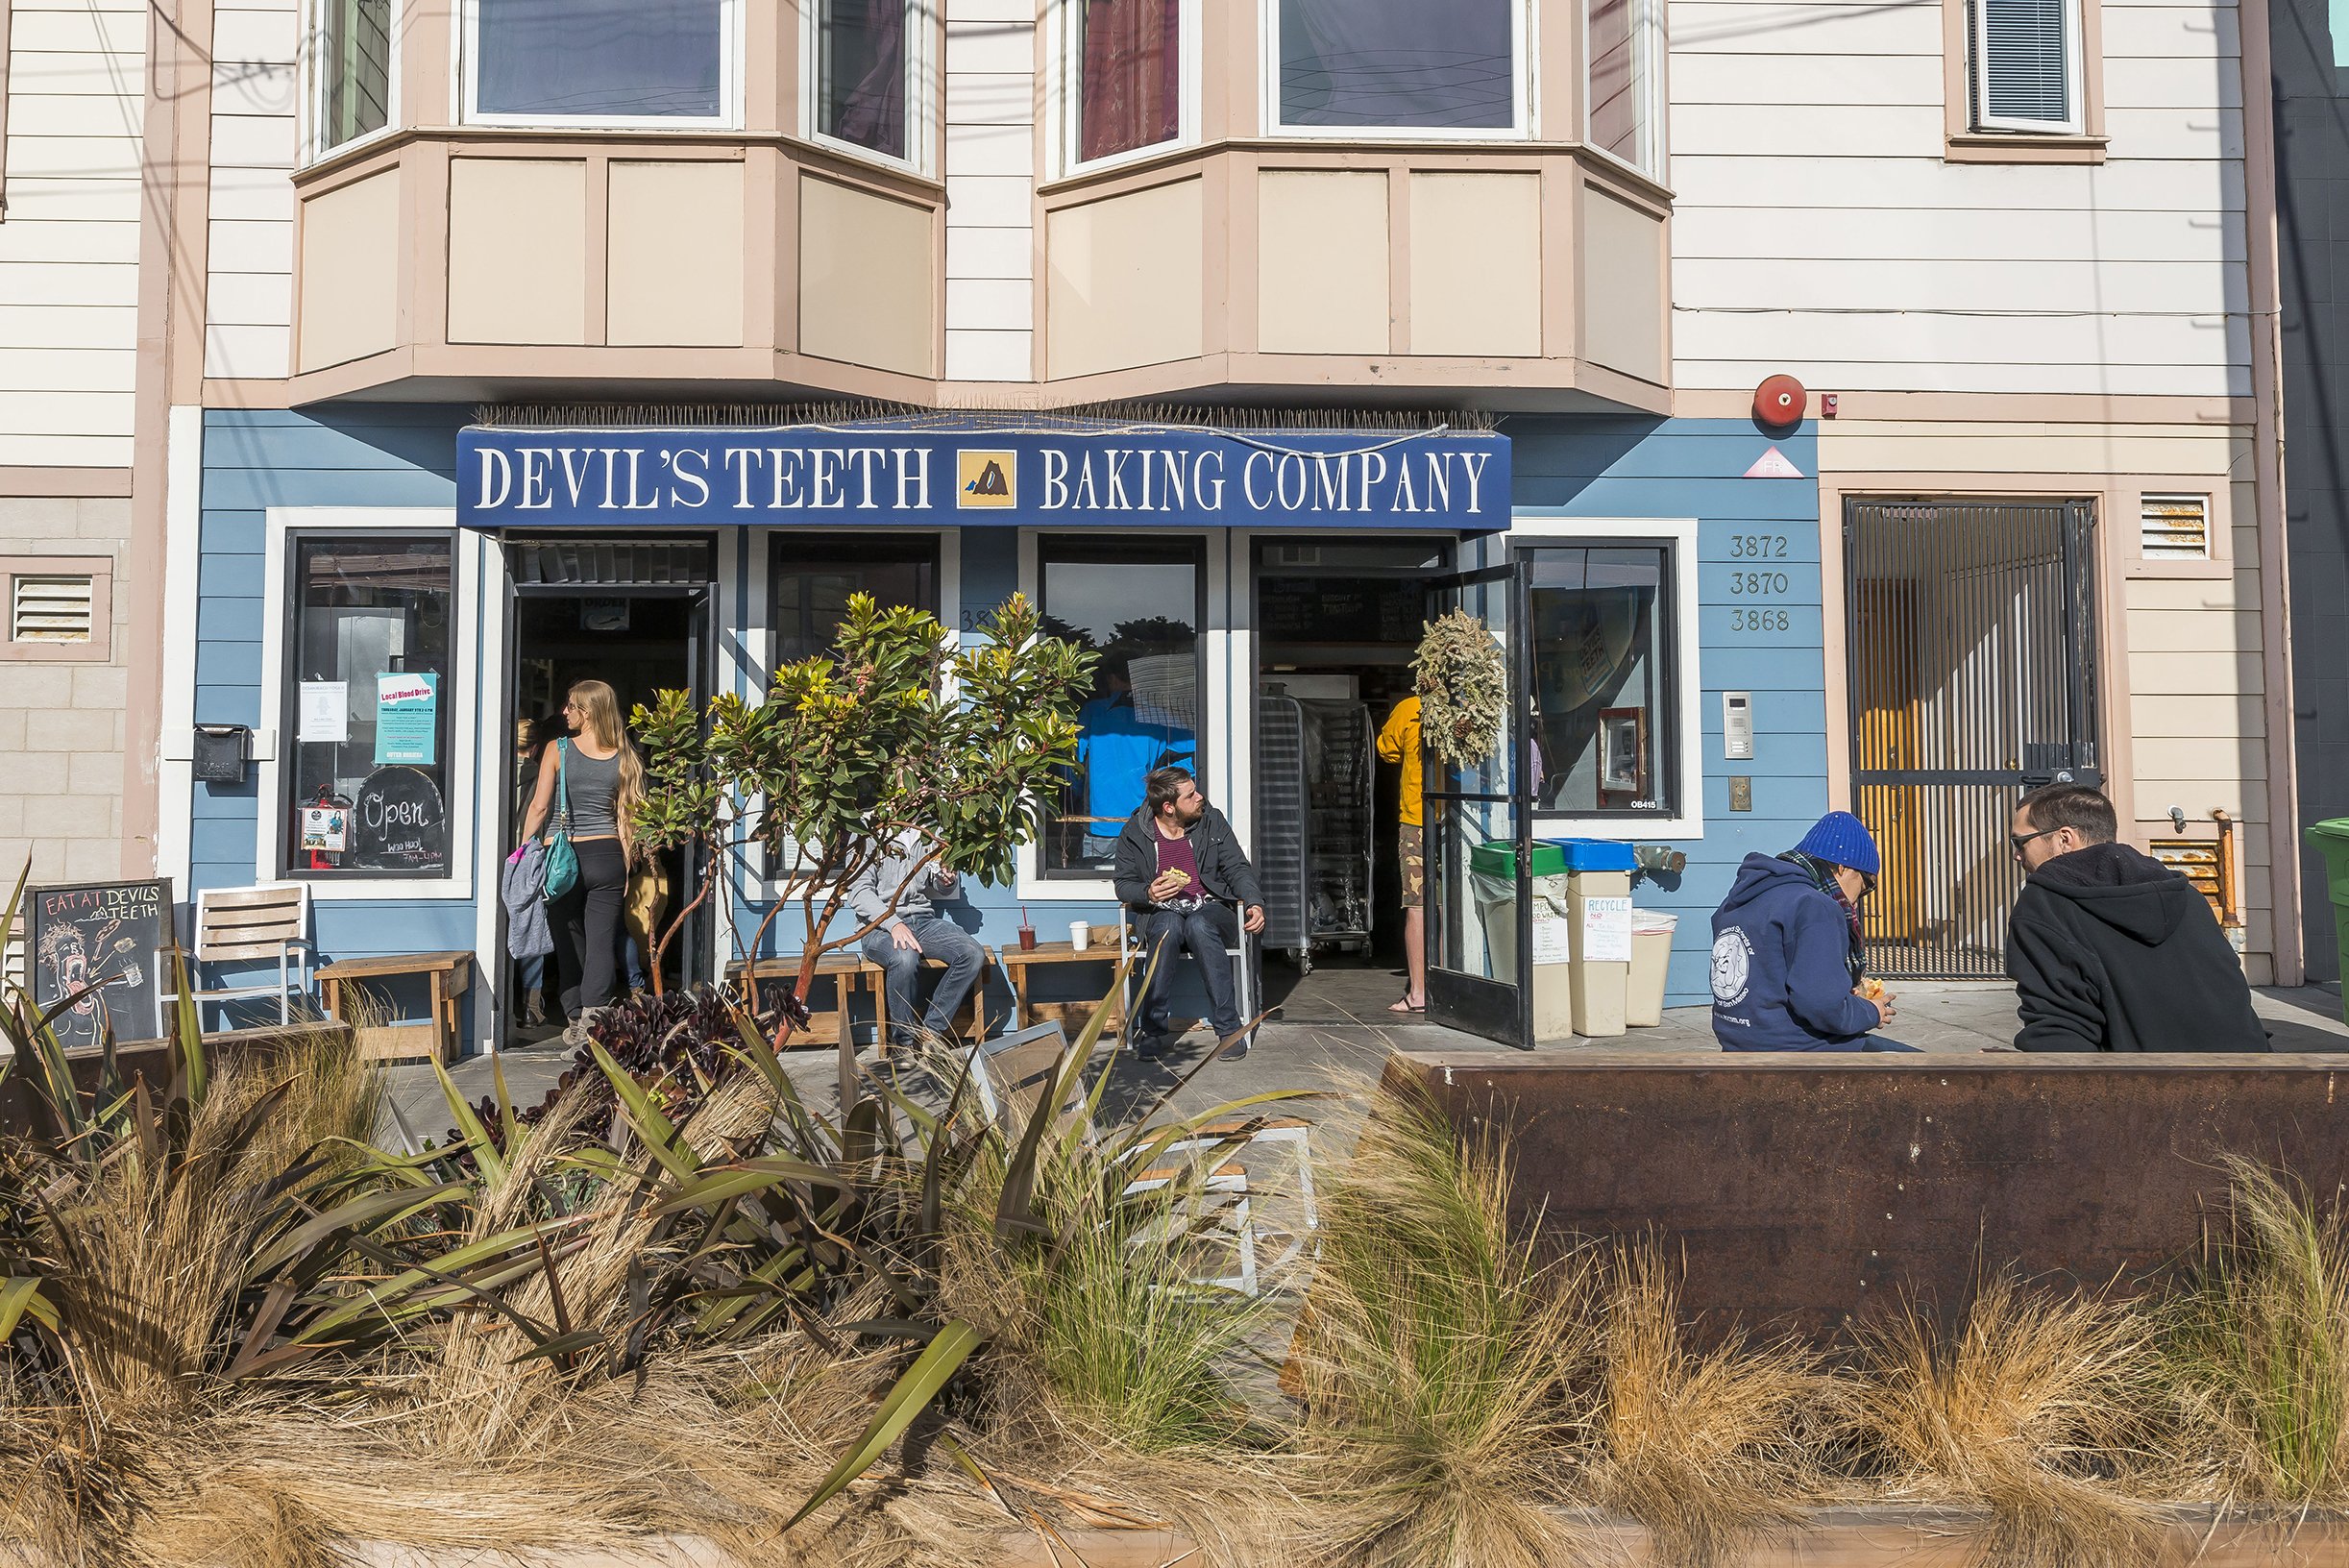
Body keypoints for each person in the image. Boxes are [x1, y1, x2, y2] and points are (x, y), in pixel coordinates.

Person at [2005, 783, 2268, 1052]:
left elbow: (2059, 1035)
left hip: (2144, 1085)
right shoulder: (2187, 896)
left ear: (2064, 839)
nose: (2016, 854)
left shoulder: (2045, 903)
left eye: (2020, 842)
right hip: (2254, 1075)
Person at [1710, 810, 1911, 1051]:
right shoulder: (1814, 906)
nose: (1859, 900)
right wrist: (1871, 1011)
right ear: (1842, 868)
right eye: (1866, 884)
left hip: (1738, 1044)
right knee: (1927, 1072)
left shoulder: (1741, 898)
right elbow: (1823, 1007)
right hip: (1799, 1051)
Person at [519, 680, 644, 1045]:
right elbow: (625, 818)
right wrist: (625, 862)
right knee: (603, 941)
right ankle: (594, 1023)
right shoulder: (625, 756)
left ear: (587, 713)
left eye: (571, 706)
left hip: (563, 857)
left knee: (569, 938)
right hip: (607, 857)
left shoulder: (558, 750)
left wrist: (524, 851)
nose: (565, 712)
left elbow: (539, 807)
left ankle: (574, 1020)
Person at [1114, 767, 1267, 1058]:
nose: (1200, 797)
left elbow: (1237, 867)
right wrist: (1147, 893)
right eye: (1191, 795)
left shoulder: (1211, 821)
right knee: (1168, 928)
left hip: (1211, 911)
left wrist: (1253, 901)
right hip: (1161, 912)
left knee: (1198, 924)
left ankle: (1229, 1028)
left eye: (1196, 790)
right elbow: (1123, 885)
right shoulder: (1134, 832)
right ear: (1168, 807)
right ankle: (1153, 1030)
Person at [847, 828, 986, 1048]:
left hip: (922, 921)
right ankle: (903, 1043)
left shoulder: (930, 832)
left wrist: (947, 881)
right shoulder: (869, 834)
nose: (921, 793)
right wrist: (894, 924)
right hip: (877, 927)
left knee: (972, 954)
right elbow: (859, 893)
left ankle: (930, 1032)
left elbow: (936, 881)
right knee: (904, 957)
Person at [1375, 693, 1428, 1014]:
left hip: (1416, 819)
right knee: (1453, 907)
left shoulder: (1411, 708)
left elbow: (1387, 750)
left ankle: (1419, 992)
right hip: (1459, 817)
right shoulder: (1467, 710)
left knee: (1417, 906)